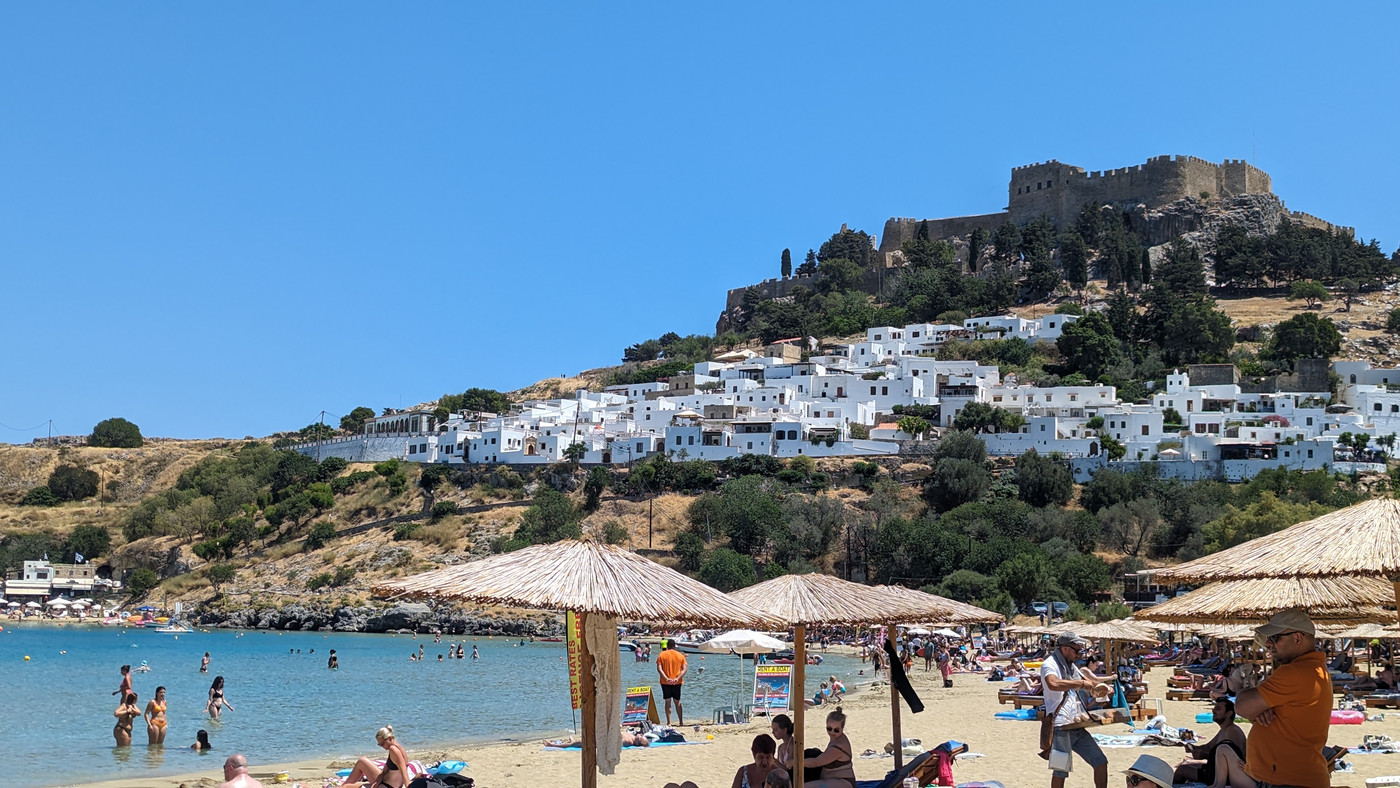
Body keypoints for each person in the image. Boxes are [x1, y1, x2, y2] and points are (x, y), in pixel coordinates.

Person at [1220, 609, 1331, 788]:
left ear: (1297, 638)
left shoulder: (1294, 673)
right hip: (1292, 776)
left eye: (1275, 637)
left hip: (1289, 779)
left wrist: (1251, 703)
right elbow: (1252, 710)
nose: (1269, 643)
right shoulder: (1312, 669)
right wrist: (1258, 709)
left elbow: (1242, 706)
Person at [1042, 632, 1110, 788]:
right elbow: (1053, 683)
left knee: (1100, 762)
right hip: (1060, 726)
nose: (1079, 654)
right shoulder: (1050, 664)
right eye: (1076, 650)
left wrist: (1100, 690)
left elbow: (1089, 685)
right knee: (1060, 770)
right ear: (1065, 649)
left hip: (1075, 724)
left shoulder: (1071, 667)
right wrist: (1080, 684)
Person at [1171, 697, 1246, 787]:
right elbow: (1208, 747)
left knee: (1182, 770)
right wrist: (1194, 748)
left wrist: (1203, 755)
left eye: (1218, 709)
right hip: (1217, 770)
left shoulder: (1233, 732)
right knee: (1185, 764)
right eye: (1214, 708)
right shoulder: (1225, 729)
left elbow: (1231, 760)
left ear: (1229, 713)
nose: (1213, 711)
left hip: (1225, 776)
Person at [342, 725, 409, 788]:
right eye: (379, 745)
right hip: (385, 783)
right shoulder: (399, 748)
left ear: (390, 738)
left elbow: (403, 769)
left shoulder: (393, 749)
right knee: (352, 784)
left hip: (386, 785)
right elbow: (385, 771)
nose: (382, 746)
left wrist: (408, 784)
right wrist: (377, 781)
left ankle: (343, 785)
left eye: (382, 743)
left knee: (362, 761)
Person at [805, 707, 855, 788]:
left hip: (844, 781)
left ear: (842, 728)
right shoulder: (836, 739)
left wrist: (795, 762)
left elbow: (816, 762)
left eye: (836, 730)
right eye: (829, 728)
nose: (832, 732)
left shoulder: (839, 745)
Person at [657, 639, 688, 725]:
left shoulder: (662, 655)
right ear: (674, 646)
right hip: (677, 682)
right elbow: (685, 669)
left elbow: (659, 669)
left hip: (665, 682)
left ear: (667, 646)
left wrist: (666, 678)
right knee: (677, 701)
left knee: (667, 701)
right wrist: (677, 678)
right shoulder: (680, 655)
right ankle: (681, 722)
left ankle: (669, 722)